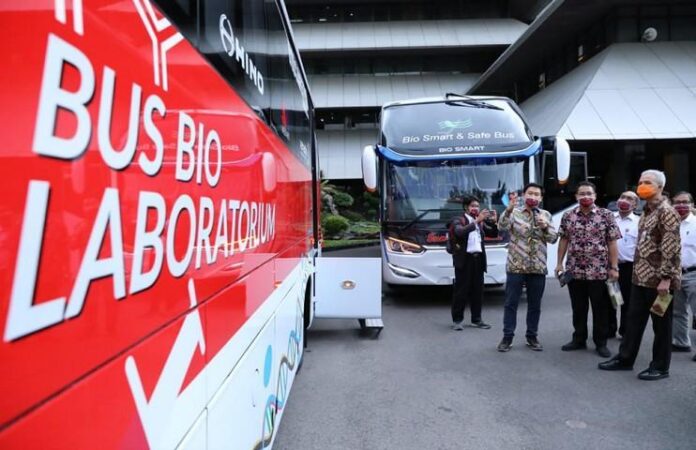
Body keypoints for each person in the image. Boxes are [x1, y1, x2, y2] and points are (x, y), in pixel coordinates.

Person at [599, 170, 681, 380]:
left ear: (660, 187)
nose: (642, 185)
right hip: (640, 279)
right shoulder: (647, 211)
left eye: (647, 182)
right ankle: (625, 359)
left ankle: (660, 366)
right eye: (640, 181)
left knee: (661, 325)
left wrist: (666, 279)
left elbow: (671, 247)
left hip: (659, 283)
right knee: (633, 321)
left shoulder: (666, 212)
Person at [556, 181, 621, 357]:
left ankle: (601, 342)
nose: (585, 197)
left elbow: (612, 242)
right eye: (582, 194)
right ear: (576, 196)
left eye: (589, 193)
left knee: (600, 308)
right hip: (574, 270)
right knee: (578, 307)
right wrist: (559, 263)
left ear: (595, 196)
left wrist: (614, 267)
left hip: (599, 270)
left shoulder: (606, 215)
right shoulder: (568, 216)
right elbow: (563, 240)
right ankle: (579, 338)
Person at [496, 183, 558, 352]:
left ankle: (532, 336)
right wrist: (508, 210)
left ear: (541, 198)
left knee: (535, 305)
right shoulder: (514, 213)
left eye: (537, 194)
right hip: (516, 266)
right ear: (524, 195)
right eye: (530, 193)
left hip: (537, 267)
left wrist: (545, 226)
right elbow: (500, 228)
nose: (533, 197)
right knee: (511, 304)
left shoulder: (545, 215)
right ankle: (507, 337)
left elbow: (553, 238)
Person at [450, 196, 498, 330]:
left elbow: (493, 234)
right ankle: (457, 320)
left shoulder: (480, 222)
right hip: (464, 260)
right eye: (472, 206)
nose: (475, 208)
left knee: (478, 291)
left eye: (477, 206)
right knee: (461, 291)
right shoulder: (458, 220)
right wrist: (477, 221)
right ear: (466, 207)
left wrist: (494, 222)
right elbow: (459, 232)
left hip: (478, 259)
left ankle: (476, 319)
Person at [609, 191, 640, 338]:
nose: (624, 200)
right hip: (610, 267)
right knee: (613, 299)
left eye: (629, 199)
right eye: (622, 197)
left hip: (629, 268)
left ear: (635, 204)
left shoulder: (640, 222)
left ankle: (625, 331)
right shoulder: (609, 218)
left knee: (628, 302)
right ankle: (610, 329)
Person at [670, 192, 696, 361]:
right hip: (674, 275)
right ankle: (681, 342)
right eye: (677, 202)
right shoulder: (670, 225)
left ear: (692, 205)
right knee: (677, 311)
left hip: (694, 274)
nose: (681, 205)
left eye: (685, 202)